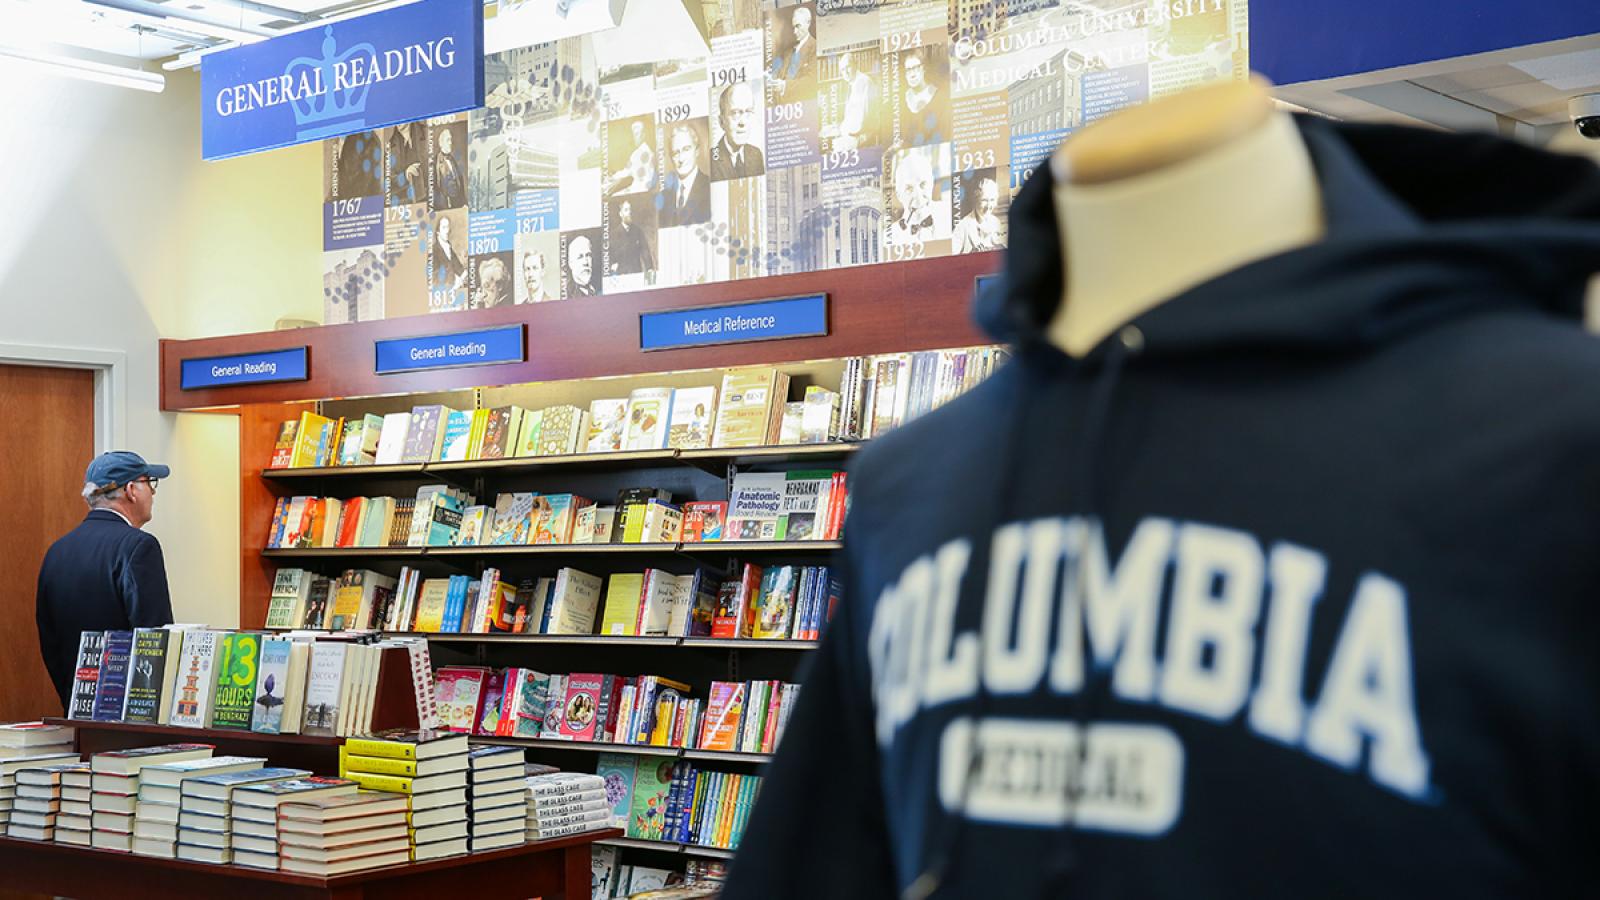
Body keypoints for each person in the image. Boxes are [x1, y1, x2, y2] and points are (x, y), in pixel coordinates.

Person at [37, 451, 174, 709]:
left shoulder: (57, 551)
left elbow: (49, 640)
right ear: (132, 490)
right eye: (149, 483)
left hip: (76, 709)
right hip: (128, 718)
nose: (153, 494)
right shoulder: (139, 546)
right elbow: (154, 638)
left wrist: (73, 697)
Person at [659, 124, 712, 228]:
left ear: (697, 151)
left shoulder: (710, 187)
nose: (681, 159)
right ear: (671, 158)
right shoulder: (664, 197)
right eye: (675, 153)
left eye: (686, 149)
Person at [711, 82, 765, 180]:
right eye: (735, 113)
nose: (743, 122)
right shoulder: (712, 161)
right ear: (721, 122)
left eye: (748, 112)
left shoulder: (756, 154)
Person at [900, 46, 950, 147]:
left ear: (923, 68)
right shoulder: (901, 102)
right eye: (908, 70)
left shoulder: (940, 99)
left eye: (915, 68)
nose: (912, 75)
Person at [886, 148, 936, 245]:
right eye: (909, 188)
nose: (918, 198)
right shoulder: (889, 237)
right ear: (898, 194)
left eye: (923, 184)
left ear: (932, 183)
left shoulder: (950, 217)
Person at [768, 6, 814, 100]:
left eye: (798, 26)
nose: (794, 31)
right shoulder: (789, 51)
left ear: (808, 23)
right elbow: (781, 74)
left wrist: (785, 86)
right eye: (793, 27)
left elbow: (811, 81)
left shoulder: (814, 47)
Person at [953, 174, 1003, 252]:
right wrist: (971, 255)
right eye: (984, 200)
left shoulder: (996, 222)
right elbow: (950, 260)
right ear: (976, 200)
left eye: (992, 200)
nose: (989, 206)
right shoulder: (962, 227)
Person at [835, 50, 873, 151]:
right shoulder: (852, 83)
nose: (845, 72)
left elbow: (863, 120)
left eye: (848, 67)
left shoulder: (863, 82)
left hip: (861, 138)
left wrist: (845, 133)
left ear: (855, 65)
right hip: (852, 136)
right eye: (842, 70)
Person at [607, 120, 656, 196]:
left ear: (643, 135)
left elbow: (626, 171)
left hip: (639, 189)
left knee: (612, 195)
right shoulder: (648, 151)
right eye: (633, 135)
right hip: (645, 190)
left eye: (637, 134)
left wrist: (612, 177)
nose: (634, 138)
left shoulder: (639, 153)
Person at [608, 200, 655, 275]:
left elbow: (645, 251)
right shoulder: (614, 234)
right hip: (621, 274)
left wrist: (649, 268)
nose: (629, 212)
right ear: (620, 214)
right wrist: (613, 267)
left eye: (630, 209)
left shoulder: (638, 231)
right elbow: (610, 255)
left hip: (636, 272)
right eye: (626, 210)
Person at [385, 121, 426, 205]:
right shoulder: (390, 146)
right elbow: (389, 179)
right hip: (406, 203)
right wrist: (405, 175)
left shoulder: (426, 132)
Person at [432, 214, 467, 297]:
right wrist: (454, 279)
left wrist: (464, 274)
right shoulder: (434, 250)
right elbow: (434, 276)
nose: (447, 231)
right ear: (438, 232)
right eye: (444, 227)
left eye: (448, 227)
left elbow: (457, 266)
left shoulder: (448, 246)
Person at [433, 126, 467, 210]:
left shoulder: (453, 160)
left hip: (458, 203)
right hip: (444, 205)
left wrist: (463, 202)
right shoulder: (435, 162)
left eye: (451, 140)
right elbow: (435, 187)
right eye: (448, 140)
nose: (450, 143)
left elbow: (460, 181)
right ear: (441, 143)